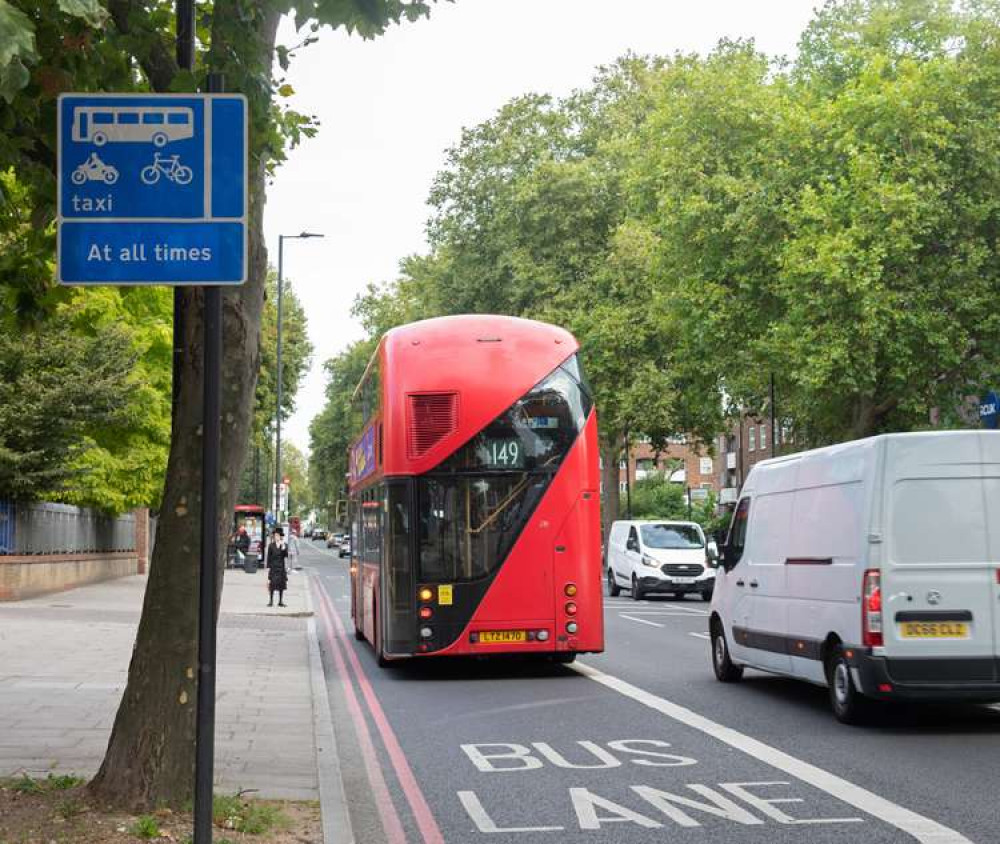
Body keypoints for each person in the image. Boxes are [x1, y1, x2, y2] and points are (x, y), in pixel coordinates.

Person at [266, 527, 289, 607]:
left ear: (281, 537)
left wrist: (283, 548)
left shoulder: (284, 545)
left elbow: (286, 555)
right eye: (275, 536)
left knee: (281, 585)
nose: (276, 537)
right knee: (272, 585)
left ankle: (280, 601)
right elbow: (269, 557)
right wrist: (268, 568)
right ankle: (271, 601)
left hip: (281, 568)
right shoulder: (271, 546)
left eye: (278, 536)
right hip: (273, 568)